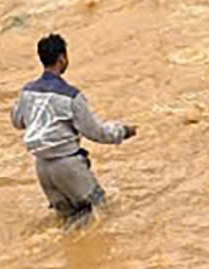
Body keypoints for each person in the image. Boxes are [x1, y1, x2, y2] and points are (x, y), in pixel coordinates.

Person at [11, 33, 137, 222]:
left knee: (68, 223)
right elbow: (97, 133)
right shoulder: (71, 96)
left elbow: (17, 121)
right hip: (69, 166)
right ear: (62, 59)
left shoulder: (27, 92)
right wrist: (123, 131)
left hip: (43, 169)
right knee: (103, 214)